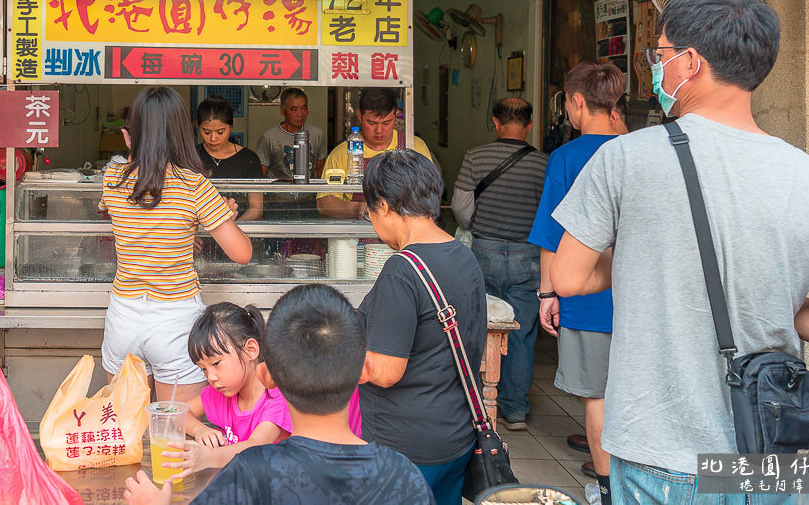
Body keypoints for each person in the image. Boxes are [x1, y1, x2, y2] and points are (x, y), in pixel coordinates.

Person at [550, 0, 809, 501]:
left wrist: (649, 256)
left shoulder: (625, 159)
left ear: (690, 63)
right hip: (770, 455)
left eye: (661, 54)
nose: (656, 67)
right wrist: (769, 296)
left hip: (658, 450)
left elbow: (568, 278)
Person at [125, 285, 435, 505]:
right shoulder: (406, 478)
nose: (211, 377)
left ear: (266, 376)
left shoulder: (250, 473)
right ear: (364, 370)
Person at [100, 86, 253, 404]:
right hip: (175, 320)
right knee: (176, 434)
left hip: (123, 318)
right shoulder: (194, 185)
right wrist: (222, 215)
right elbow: (242, 253)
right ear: (183, 131)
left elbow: (135, 206)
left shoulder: (112, 178)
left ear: (132, 133)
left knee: (125, 431)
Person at [359, 149, 486, 504]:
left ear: (383, 206)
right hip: (456, 437)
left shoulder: (402, 270)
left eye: (369, 211)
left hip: (406, 446)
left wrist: (323, 366)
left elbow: (384, 371)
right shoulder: (463, 253)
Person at [528, 62, 626, 504]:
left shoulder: (566, 158)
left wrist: (548, 293)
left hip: (587, 298)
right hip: (640, 297)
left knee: (598, 400)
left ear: (578, 102)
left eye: (567, 101)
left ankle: (606, 491)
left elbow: (553, 233)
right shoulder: (639, 149)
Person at [159, 301, 364, 480]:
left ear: (250, 350)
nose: (210, 377)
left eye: (216, 363)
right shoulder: (219, 394)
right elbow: (175, 412)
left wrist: (207, 457)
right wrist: (200, 430)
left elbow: (257, 446)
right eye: (203, 369)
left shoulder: (277, 394)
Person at [450, 97, 548, 431]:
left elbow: (461, 208)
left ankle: (477, 403)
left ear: (494, 121)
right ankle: (515, 411)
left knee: (480, 327)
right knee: (520, 334)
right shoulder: (543, 163)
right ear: (530, 125)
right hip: (528, 256)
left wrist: (482, 224)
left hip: (484, 252)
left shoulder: (475, 157)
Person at [317, 88, 435, 219]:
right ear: (360, 116)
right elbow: (324, 203)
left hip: (405, 235)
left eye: (386, 123)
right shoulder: (342, 153)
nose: (379, 130)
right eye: (372, 123)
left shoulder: (413, 146)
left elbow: (430, 195)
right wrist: (357, 208)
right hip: (358, 236)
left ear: (396, 115)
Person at [195, 95, 263, 221]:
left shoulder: (248, 159)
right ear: (198, 126)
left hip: (240, 232)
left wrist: (232, 230)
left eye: (220, 132)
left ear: (232, 125)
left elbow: (256, 208)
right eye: (207, 132)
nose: (213, 138)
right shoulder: (191, 157)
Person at [254, 87, 326, 180]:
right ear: (282, 111)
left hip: (309, 193)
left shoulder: (317, 134)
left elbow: (320, 169)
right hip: (278, 193)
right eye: (294, 109)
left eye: (304, 108)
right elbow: (260, 174)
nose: (300, 114)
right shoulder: (269, 137)